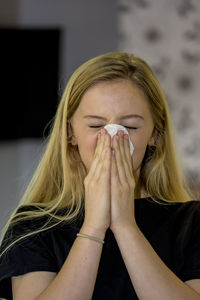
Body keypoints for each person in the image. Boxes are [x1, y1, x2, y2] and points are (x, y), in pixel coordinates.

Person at [0, 52, 200, 300]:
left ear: (155, 135)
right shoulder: (33, 226)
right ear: (70, 133)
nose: (113, 139)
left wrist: (126, 226)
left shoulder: (191, 223)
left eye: (130, 127)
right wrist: (94, 226)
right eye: (96, 125)